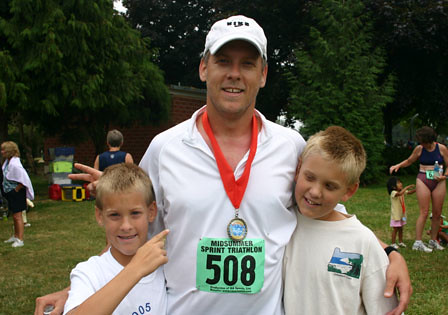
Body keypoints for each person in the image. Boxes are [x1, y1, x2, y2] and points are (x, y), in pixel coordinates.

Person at [35, 15, 411, 315]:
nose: (235, 73)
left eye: (247, 64)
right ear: (203, 68)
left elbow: (327, 214)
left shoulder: (289, 146)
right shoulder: (165, 149)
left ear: (262, 75)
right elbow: (133, 226)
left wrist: (389, 254)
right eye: (223, 61)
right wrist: (82, 290)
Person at [283, 126, 398, 314]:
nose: (315, 192)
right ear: (298, 169)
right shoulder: (283, 224)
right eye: (310, 177)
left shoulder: (363, 241)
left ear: (349, 190)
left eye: (330, 186)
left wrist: (394, 254)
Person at [64, 163, 168, 315]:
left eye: (135, 213)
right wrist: (135, 269)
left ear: (151, 211)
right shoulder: (90, 272)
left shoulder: (166, 267)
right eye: (115, 215)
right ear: (100, 216)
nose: (126, 226)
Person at [390, 126, 448, 252]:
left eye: (423, 141)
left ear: (430, 140)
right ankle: (418, 242)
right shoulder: (419, 149)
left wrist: (444, 176)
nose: (421, 143)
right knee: (424, 212)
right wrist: (398, 165)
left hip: (439, 181)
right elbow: (409, 161)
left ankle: (433, 241)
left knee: (437, 213)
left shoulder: (442, 148)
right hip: (423, 179)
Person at [1, 141, 34, 248]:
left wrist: (16, 189)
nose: (1, 152)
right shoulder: (8, 162)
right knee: (14, 216)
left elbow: (23, 179)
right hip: (10, 192)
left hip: (17, 193)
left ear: (9, 151)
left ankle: (20, 239)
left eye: (3, 150)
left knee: (18, 216)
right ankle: (15, 236)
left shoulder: (15, 164)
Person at [387, 176, 415, 249]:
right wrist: (407, 187)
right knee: (395, 229)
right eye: (398, 183)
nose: (401, 184)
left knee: (401, 228)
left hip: (402, 215)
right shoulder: (393, 193)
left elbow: (409, 192)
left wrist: (416, 189)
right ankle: (393, 243)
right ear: (393, 186)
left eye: (400, 182)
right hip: (396, 215)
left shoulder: (401, 191)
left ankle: (400, 242)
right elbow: (399, 194)